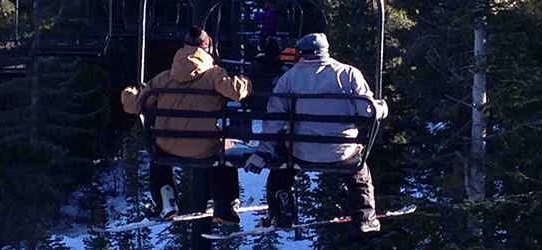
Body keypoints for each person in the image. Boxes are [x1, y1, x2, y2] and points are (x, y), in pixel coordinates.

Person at [244, 33, 388, 233]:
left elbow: (274, 119)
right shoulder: (348, 73)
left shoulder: (289, 78)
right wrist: (382, 108)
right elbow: (367, 111)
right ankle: (365, 216)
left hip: (301, 150)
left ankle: (282, 210)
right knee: (358, 169)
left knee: (283, 165)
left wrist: (262, 153)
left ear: (302, 53)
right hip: (342, 150)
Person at [121, 26, 252, 224]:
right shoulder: (214, 75)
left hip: (168, 145)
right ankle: (223, 204)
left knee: (158, 154)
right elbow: (237, 93)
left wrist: (129, 92)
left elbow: (136, 105)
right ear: (208, 48)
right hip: (204, 147)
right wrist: (245, 82)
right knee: (225, 148)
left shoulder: (164, 78)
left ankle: (164, 197)